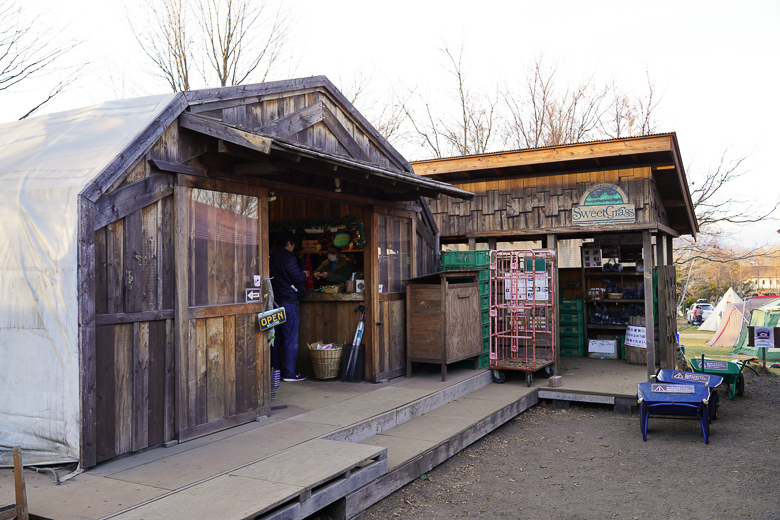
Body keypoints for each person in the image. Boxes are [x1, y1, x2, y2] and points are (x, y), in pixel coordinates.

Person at [269, 232, 309, 382]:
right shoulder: (288, 257)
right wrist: (303, 274)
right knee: (290, 338)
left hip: (274, 301)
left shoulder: (271, 257)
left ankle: (275, 371)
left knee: (275, 338)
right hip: (288, 301)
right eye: (293, 245)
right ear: (289, 244)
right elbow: (297, 278)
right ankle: (289, 373)